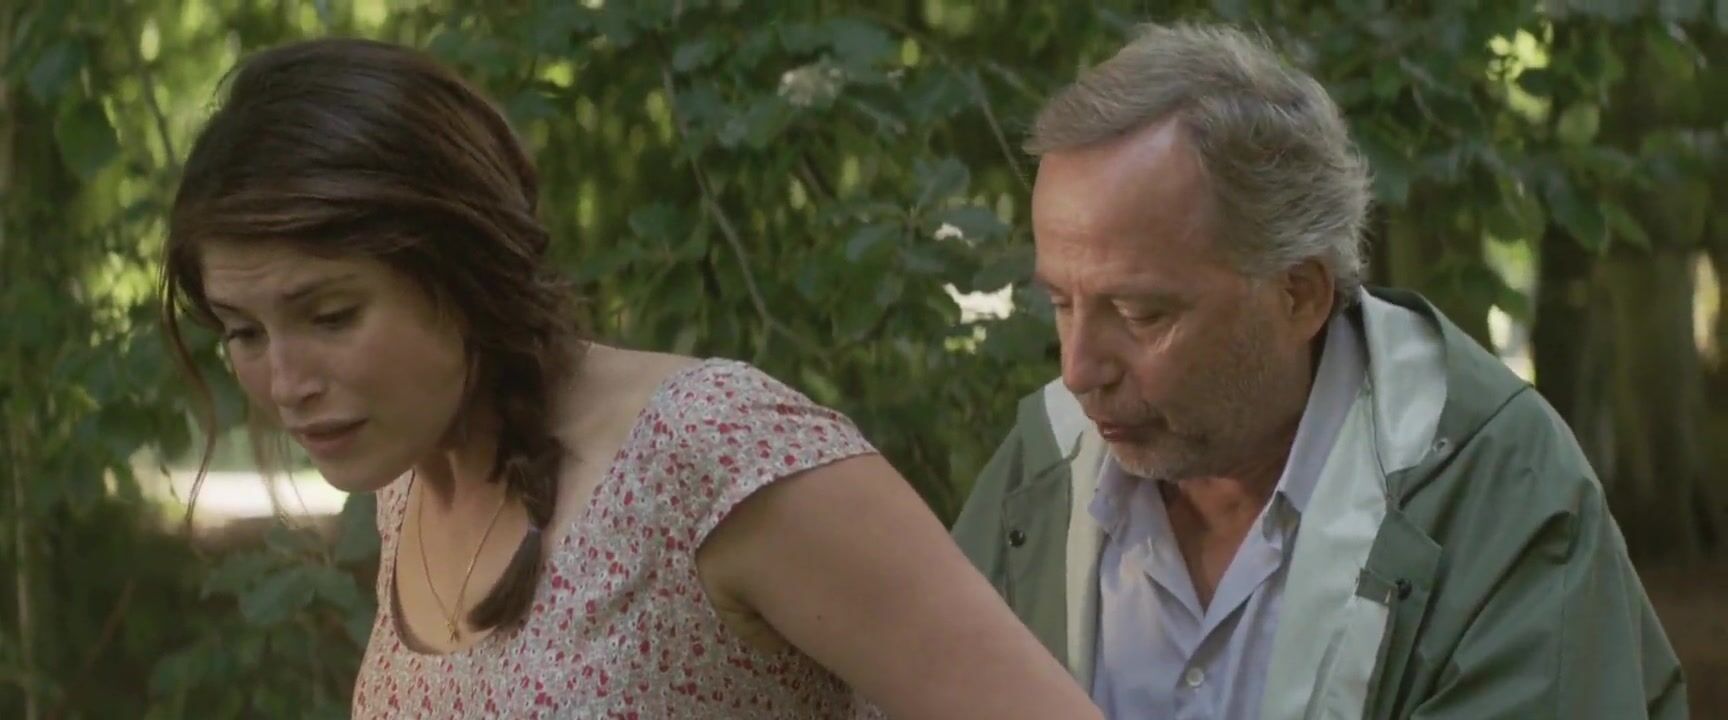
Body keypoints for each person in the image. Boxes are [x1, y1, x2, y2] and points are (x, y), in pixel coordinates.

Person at [158, 37, 1101, 720]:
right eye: (242, 331)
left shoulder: (716, 450)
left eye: (330, 316)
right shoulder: (409, 483)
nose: (285, 381)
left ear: (462, 268)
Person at [952, 22, 1687, 720]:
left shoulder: (1495, 484)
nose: (1079, 369)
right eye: (1060, 304)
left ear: (1298, 294)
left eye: (1142, 313)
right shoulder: (1043, 466)